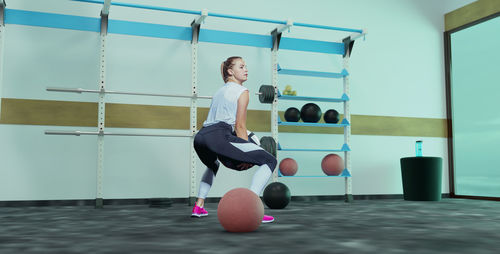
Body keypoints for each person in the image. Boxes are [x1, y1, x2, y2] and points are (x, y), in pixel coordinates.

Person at [191, 56, 277, 223]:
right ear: (230, 71)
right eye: (241, 66)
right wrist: (244, 156)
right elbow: (239, 127)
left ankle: (199, 206)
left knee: (213, 164)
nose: (246, 69)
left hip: (201, 137)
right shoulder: (242, 91)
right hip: (219, 135)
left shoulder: (220, 91)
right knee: (270, 160)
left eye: (246, 66)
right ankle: (252, 209)